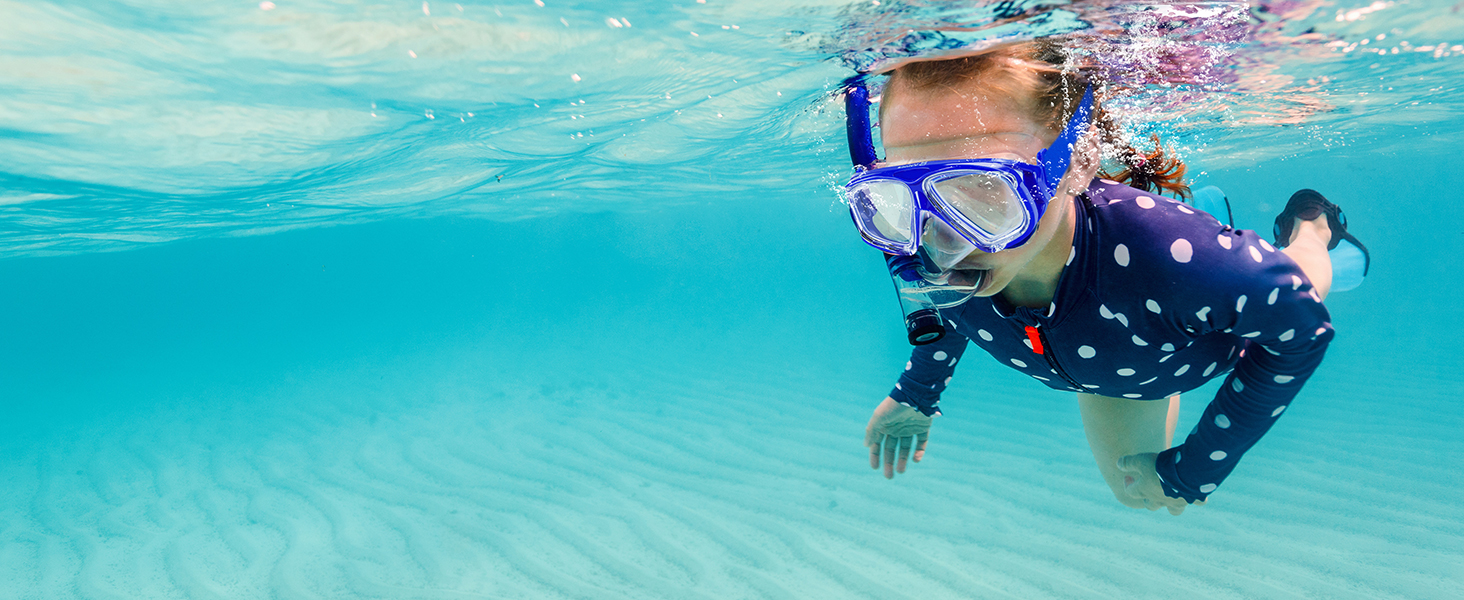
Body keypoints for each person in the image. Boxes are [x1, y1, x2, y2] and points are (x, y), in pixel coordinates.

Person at [843, 41, 1369, 514]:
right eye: (899, 199)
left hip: (1196, 330)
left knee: (1302, 276)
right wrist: (917, 392)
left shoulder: (1172, 260)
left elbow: (1301, 328)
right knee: (1133, 493)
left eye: (984, 190)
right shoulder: (936, 247)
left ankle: (1312, 225)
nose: (944, 242)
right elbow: (947, 312)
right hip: (1120, 366)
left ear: (1078, 161)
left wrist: (1199, 468)